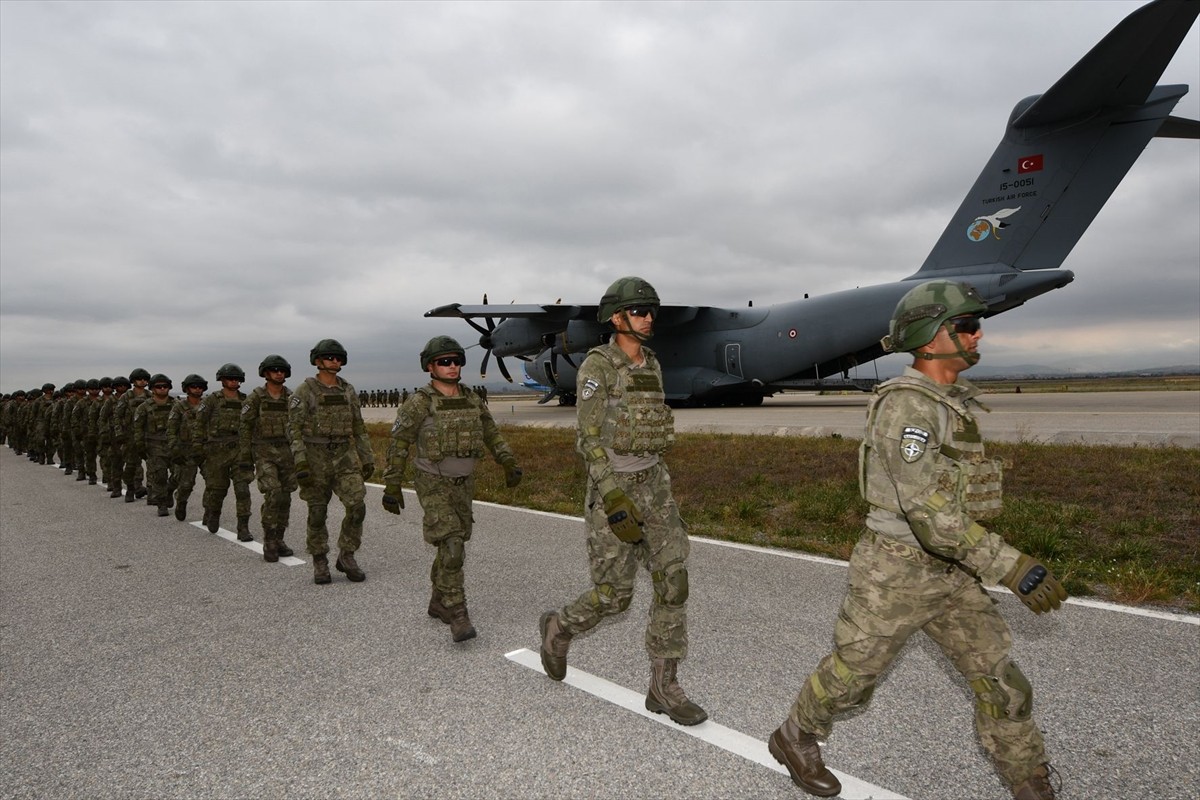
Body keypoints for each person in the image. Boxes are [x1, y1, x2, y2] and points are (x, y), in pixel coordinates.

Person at [768, 280, 1066, 800]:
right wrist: (1010, 566)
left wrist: (985, 562)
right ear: (930, 339)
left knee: (1003, 684)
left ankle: (1030, 784)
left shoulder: (950, 403)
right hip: (896, 571)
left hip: (953, 573)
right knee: (853, 677)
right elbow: (927, 510)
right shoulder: (908, 408)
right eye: (966, 326)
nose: (977, 336)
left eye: (979, 325)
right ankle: (795, 736)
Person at [538, 276, 707, 726]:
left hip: (655, 484)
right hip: (613, 487)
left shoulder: (652, 362)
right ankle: (560, 626)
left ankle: (663, 687)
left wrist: (657, 485)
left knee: (674, 580)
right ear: (616, 317)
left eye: (652, 310)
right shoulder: (598, 366)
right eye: (639, 310)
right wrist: (611, 493)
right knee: (614, 597)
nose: (649, 317)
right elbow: (587, 437)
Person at [382, 336, 522, 642]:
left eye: (456, 360)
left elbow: (490, 433)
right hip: (432, 480)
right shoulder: (418, 403)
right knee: (453, 542)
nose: (452, 366)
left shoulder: (471, 399)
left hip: (464, 482)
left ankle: (438, 600)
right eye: (445, 361)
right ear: (430, 366)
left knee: (451, 545)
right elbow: (400, 444)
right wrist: (392, 484)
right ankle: (458, 613)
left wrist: (508, 462)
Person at [288, 339, 374, 585]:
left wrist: (366, 457)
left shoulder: (348, 390)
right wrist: (301, 461)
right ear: (317, 360)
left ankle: (347, 555)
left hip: (344, 457)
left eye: (338, 357)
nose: (335, 361)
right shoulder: (305, 391)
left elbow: (359, 427)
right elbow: (292, 429)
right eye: (329, 357)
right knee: (317, 511)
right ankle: (320, 560)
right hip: (315, 457)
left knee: (357, 505)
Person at [239, 355, 298, 562]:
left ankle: (280, 538)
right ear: (265, 373)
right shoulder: (256, 397)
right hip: (264, 452)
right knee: (273, 493)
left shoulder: (292, 398)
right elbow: (245, 427)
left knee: (285, 497)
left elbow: (299, 426)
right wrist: (245, 456)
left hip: (287, 453)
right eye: (274, 370)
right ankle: (269, 540)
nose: (279, 373)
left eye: (282, 370)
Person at [194, 363, 252, 538]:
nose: (234, 382)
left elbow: (252, 424)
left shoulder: (245, 400)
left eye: (236, 379)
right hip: (216, 451)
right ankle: (213, 513)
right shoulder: (212, 400)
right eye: (230, 379)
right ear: (222, 380)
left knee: (243, 489)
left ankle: (243, 527)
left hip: (239, 450)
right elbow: (200, 423)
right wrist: (198, 446)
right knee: (217, 489)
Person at [133, 374, 176, 517]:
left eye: (165, 386)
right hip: (154, 446)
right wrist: (140, 446)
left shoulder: (176, 405)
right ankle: (162, 503)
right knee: (159, 476)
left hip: (174, 445)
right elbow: (138, 428)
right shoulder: (144, 407)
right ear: (152, 389)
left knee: (180, 475)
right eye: (159, 387)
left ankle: (170, 490)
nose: (163, 389)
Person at [168, 374, 207, 522]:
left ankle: (209, 511)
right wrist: (175, 449)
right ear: (187, 388)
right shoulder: (179, 407)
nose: (197, 390)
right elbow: (171, 429)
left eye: (200, 387)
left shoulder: (207, 404)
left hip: (205, 449)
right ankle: (181, 501)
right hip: (186, 449)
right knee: (186, 483)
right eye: (194, 387)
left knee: (213, 482)